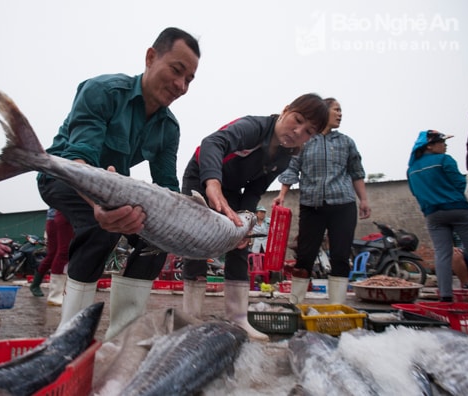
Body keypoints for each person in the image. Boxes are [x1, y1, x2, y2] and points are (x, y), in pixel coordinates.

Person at [37, 27, 200, 337]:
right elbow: (78, 158)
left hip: (114, 188)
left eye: (189, 80)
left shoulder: (169, 127)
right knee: (104, 226)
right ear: (151, 57)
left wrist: (191, 227)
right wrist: (99, 205)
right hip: (62, 174)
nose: (180, 85)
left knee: (156, 238)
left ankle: (121, 336)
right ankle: (68, 337)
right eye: (176, 71)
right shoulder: (103, 91)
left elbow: (167, 186)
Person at [181, 93, 329, 340]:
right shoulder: (254, 127)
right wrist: (212, 182)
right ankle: (190, 318)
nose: (297, 131)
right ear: (285, 110)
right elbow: (212, 143)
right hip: (202, 175)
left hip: (232, 189)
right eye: (297, 119)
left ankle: (238, 319)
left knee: (240, 245)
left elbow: (254, 189)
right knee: (198, 243)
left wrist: (247, 219)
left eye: (308, 131)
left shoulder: (284, 157)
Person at [274, 98, 371, 305]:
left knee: (340, 255)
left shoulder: (346, 142)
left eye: (341, 110)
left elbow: (356, 172)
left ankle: (337, 306)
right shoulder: (306, 140)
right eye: (336, 109)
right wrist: (282, 194)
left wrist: (363, 200)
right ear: (323, 111)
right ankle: (295, 304)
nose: (340, 114)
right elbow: (292, 168)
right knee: (305, 256)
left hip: (343, 205)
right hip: (312, 206)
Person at [407, 130, 468, 301]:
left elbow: (415, 192)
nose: (445, 145)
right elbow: (460, 184)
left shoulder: (411, 170)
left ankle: (445, 295)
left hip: (432, 214)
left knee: (443, 254)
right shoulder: (444, 160)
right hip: (458, 209)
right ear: (429, 145)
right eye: (442, 142)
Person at [30, 208, 73, 306]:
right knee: (57, 253)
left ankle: (38, 285)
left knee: (58, 253)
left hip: (61, 216)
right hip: (57, 216)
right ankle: (43, 288)